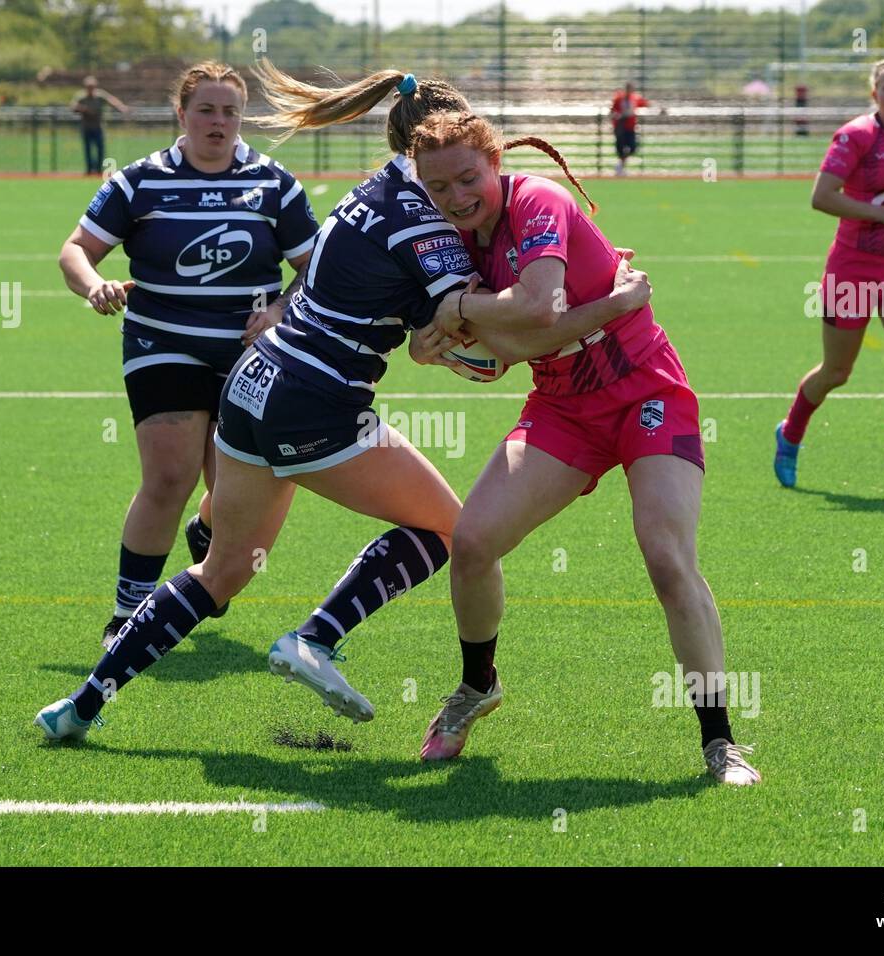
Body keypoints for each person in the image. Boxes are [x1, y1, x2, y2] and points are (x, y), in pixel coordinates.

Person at [35, 64, 645, 742]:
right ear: (434, 144)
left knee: (223, 570)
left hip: (251, 382)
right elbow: (479, 325)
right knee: (452, 532)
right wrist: (587, 303)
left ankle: (81, 705)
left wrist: (445, 332)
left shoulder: (375, 188)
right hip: (315, 401)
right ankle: (317, 637)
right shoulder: (427, 223)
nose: (464, 183)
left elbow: (422, 328)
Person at [409, 111, 761, 785]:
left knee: (665, 553)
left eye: (467, 177)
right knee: (474, 542)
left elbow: (535, 311)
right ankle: (477, 685)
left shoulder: (539, 199)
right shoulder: (449, 241)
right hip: (563, 406)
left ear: (495, 162)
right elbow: (509, 351)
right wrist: (452, 333)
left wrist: (463, 315)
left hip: (645, 392)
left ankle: (720, 743)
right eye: (437, 186)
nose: (455, 197)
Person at [57, 62, 318, 650]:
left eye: (230, 111)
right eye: (206, 109)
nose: (218, 122)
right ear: (182, 114)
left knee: (232, 496)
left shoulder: (273, 183)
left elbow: (316, 272)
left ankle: (208, 529)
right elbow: (76, 250)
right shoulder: (139, 181)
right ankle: (127, 617)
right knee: (168, 476)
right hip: (161, 342)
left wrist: (278, 309)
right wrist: (92, 283)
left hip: (247, 355)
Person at [773, 57, 884, 497]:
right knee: (836, 371)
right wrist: (880, 214)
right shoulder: (855, 137)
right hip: (852, 270)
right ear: (875, 94)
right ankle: (790, 432)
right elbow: (821, 197)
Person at [72, 75, 130, 176]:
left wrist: (122, 108)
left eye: (92, 87)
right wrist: (84, 109)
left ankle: (99, 170)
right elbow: (73, 106)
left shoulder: (100, 96)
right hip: (86, 128)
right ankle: (89, 170)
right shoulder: (81, 97)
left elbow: (112, 101)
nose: (90, 89)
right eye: (88, 87)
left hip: (97, 127)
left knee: (100, 149)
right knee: (88, 150)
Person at [610, 81, 655, 175]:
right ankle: (620, 167)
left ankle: (620, 164)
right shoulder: (619, 98)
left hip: (631, 127)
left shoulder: (634, 98)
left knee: (633, 147)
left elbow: (646, 104)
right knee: (620, 147)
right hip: (621, 126)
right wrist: (618, 116)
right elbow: (612, 111)